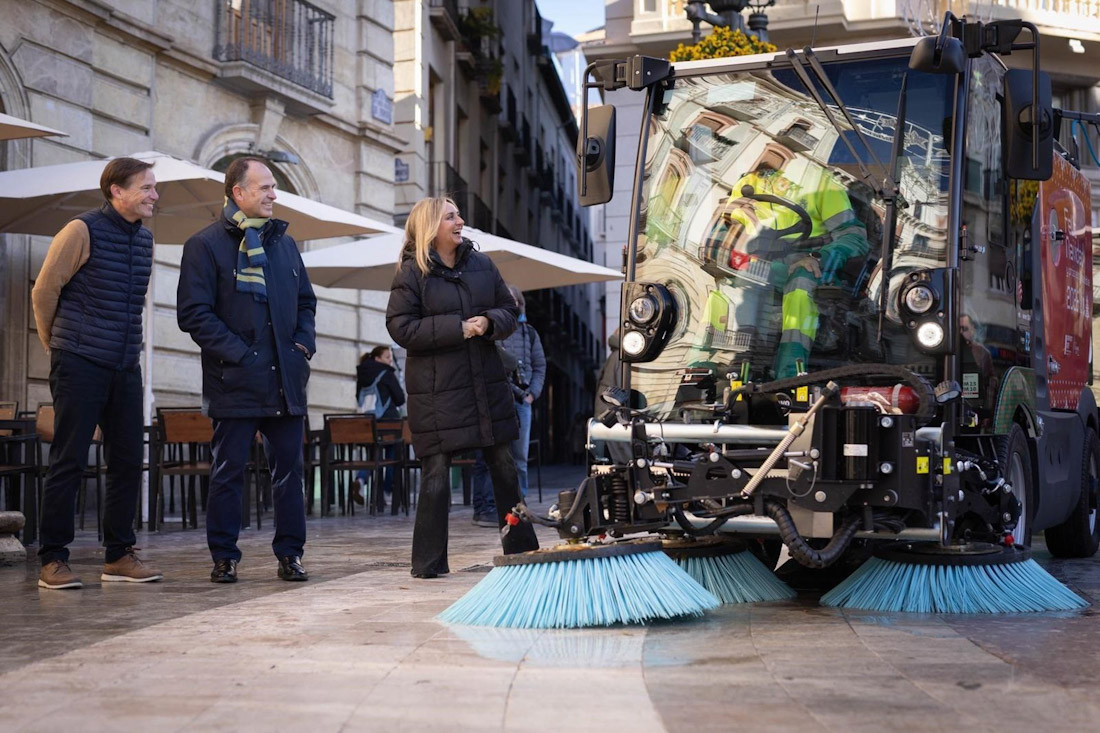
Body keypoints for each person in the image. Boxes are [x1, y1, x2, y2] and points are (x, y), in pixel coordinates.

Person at [177, 157, 316, 584]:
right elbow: (194, 314)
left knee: (290, 475)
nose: (274, 194)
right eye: (265, 187)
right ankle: (224, 555)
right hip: (234, 379)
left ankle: (290, 554)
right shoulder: (204, 245)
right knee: (228, 472)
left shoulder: (285, 244)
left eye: (273, 188)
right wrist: (242, 354)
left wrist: (301, 346)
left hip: (284, 380)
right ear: (238, 192)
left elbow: (306, 302)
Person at [386, 196, 540, 577]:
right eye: (450, 216)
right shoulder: (412, 272)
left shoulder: (482, 264)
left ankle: (522, 553)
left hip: (484, 384)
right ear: (430, 227)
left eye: (458, 215)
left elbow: (509, 311)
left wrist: (488, 322)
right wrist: (458, 327)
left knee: (504, 466)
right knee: (436, 474)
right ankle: (428, 564)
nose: (461, 221)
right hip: (436, 391)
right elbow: (400, 327)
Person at [31, 157, 164, 590]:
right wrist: (57, 344)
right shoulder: (80, 230)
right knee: (69, 459)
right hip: (80, 360)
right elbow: (45, 288)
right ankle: (53, 559)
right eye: (145, 188)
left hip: (124, 364)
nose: (154, 195)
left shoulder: (144, 241)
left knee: (127, 460)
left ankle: (119, 555)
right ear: (116, 191)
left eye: (153, 188)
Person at [728, 163, 869, 378]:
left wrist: (818, 258)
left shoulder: (822, 184)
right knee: (733, 278)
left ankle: (790, 373)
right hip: (769, 263)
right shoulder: (748, 183)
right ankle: (711, 367)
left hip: (817, 267)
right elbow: (729, 222)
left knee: (801, 280)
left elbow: (854, 236)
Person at [470, 284, 546, 527]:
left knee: (520, 457)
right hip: (496, 396)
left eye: (514, 299)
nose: (511, 303)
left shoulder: (530, 333)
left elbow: (539, 365)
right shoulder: (491, 330)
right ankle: (489, 506)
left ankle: (520, 503)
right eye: (507, 299)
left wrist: (532, 394)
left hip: (522, 401)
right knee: (491, 455)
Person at [351, 344, 406, 508]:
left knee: (373, 457)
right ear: (377, 359)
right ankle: (386, 491)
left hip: (369, 423)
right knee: (392, 457)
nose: (390, 361)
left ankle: (360, 480)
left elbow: (357, 397)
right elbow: (400, 399)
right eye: (387, 357)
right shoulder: (387, 374)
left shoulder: (362, 374)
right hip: (389, 423)